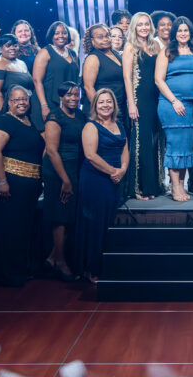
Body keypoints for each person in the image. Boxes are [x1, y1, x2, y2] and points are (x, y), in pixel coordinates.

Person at [0, 85, 45, 287]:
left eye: (24, 99)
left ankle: (18, 269)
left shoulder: (29, 121)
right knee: (8, 229)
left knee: (21, 229)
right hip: (8, 184)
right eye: (16, 99)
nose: (21, 102)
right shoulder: (3, 120)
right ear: (9, 103)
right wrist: (2, 181)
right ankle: (6, 274)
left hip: (27, 187)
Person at [78, 88, 128, 283]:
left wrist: (122, 169)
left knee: (107, 222)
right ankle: (91, 268)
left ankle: (105, 265)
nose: (105, 105)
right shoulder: (91, 126)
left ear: (114, 104)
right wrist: (113, 171)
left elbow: (125, 150)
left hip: (115, 178)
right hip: (96, 179)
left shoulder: (119, 125)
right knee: (95, 224)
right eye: (101, 102)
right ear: (95, 105)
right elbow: (91, 156)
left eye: (109, 101)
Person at [42, 82, 87, 282]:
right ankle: (60, 262)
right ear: (61, 97)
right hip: (58, 171)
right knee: (60, 217)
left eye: (76, 95)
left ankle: (52, 258)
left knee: (69, 216)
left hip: (74, 168)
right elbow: (51, 151)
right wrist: (65, 180)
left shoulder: (80, 116)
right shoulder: (55, 117)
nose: (73, 98)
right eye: (69, 95)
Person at [156, 16, 193, 202]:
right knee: (175, 146)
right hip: (172, 105)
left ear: (190, 33)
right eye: (179, 30)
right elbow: (159, 80)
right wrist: (174, 101)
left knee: (186, 147)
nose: (183, 33)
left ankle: (181, 184)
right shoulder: (167, 51)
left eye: (186, 30)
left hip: (192, 106)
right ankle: (175, 186)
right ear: (174, 33)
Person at [122, 12, 164, 200]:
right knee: (141, 142)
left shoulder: (155, 45)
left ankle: (154, 185)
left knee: (155, 141)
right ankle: (138, 188)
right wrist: (131, 103)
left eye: (147, 24)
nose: (144, 27)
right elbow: (127, 77)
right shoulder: (130, 47)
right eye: (140, 25)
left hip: (156, 98)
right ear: (134, 27)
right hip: (139, 99)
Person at [32, 21, 79, 131]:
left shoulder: (73, 54)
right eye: (57, 33)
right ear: (51, 36)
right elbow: (37, 80)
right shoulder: (45, 52)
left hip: (66, 103)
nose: (61, 36)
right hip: (48, 100)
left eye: (64, 33)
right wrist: (44, 105)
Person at [0, 34, 34, 119]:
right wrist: (8, 115)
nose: (12, 48)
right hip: (4, 113)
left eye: (15, 45)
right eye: (8, 46)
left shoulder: (22, 63)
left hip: (23, 110)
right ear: (0, 49)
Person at [81, 24, 126, 114]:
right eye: (100, 37)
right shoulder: (93, 58)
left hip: (118, 107)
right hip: (103, 111)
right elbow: (88, 87)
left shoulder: (115, 53)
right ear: (92, 41)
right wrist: (101, 111)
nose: (105, 39)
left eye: (107, 36)